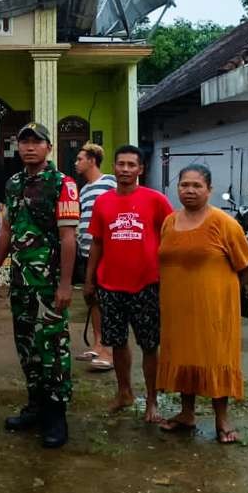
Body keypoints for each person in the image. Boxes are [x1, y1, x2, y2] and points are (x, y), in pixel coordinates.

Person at [0, 122, 80, 448]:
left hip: (50, 284)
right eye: (23, 141)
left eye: (36, 142)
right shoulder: (13, 184)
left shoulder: (62, 184)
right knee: (26, 346)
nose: (29, 147)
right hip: (21, 283)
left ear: (48, 148)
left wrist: (66, 284)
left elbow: (69, 238)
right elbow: (7, 231)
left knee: (53, 347)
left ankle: (56, 415)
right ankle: (35, 406)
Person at [157, 165, 248, 444]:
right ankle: (187, 413)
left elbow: (244, 265)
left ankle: (222, 419)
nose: (189, 190)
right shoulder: (169, 222)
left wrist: (223, 294)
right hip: (177, 308)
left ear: (209, 190)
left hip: (214, 309)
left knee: (215, 357)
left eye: (197, 186)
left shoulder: (225, 224)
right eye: (184, 185)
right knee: (185, 357)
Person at [83, 144, 174, 423]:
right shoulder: (103, 201)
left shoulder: (155, 200)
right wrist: (89, 281)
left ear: (141, 169)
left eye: (131, 165)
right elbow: (97, 243)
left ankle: (152, 400)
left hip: (147, 284)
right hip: (110, 285)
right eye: (120, 164)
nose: (125, 169)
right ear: (114, 167)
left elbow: (171, 237)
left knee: (149, 345)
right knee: (118, 343)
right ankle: (124, 393)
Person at [72, 143, 116, 371]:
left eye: (80, 159)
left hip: (108, 253)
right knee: (92, 299)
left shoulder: (110, 182)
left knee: (107, 302)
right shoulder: (85, 189)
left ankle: (109, 351)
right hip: (88, 252)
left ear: (92, 160)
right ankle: (98, 345)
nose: (76, 163)